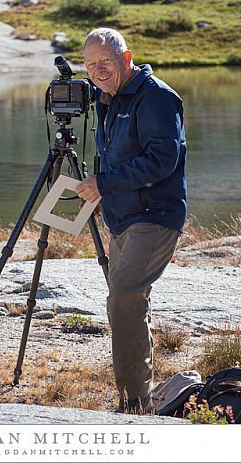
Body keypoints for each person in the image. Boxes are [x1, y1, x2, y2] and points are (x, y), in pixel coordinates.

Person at [76, 27, 187, 414]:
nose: (97, 71)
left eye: (105, 62)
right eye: (90, 65)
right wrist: (104, 194)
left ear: (126, 59)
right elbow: (118, 155)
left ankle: (135, 403)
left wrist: (103, 183)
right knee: (127, 301)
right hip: (123, 217)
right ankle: (142, 391)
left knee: (123, 297)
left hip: (155, 216)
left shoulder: (155, 97)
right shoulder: (109, 97)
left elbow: (162, 161)